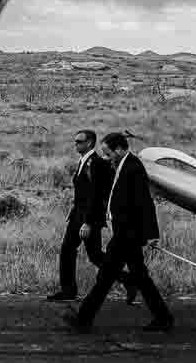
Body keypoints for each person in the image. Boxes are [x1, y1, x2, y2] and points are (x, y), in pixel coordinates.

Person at [68, 132, 173, 332]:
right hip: (125, 232)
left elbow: (145, 203)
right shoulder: (122, 166)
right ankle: (163, 317)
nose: (106, 158)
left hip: (128, 234)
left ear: (119, 149)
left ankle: (83, 319)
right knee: (140, 277)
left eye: (108, 154)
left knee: (105, 277)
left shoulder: (133, 168)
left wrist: (152, 234)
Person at [46, 128, 133, 303]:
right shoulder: (84, 161)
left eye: (79, 141)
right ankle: (68, 291)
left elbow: (95, 195)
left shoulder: (96, 163)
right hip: (78, 216)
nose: (75, 144)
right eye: (75, 141)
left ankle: (129, 280)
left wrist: (88, 222)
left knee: (94, 255)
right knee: (68, 250)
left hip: (88, 218)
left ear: (90, 143)